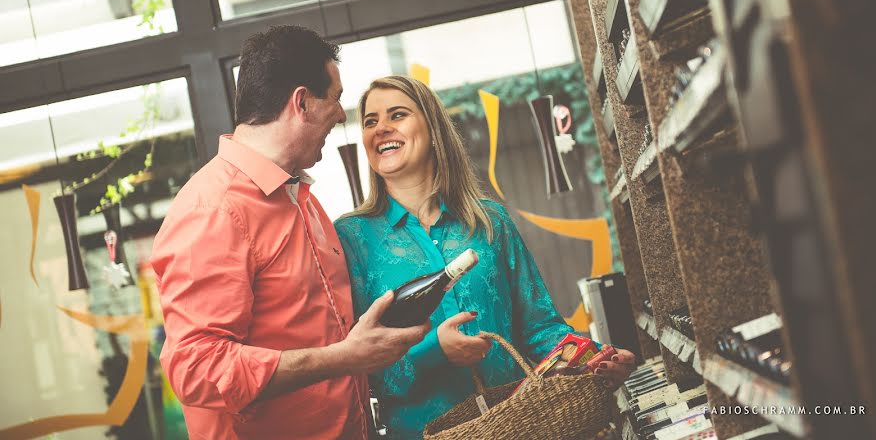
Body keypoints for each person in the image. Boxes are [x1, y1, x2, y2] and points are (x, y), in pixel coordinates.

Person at [151, 27, 429, 440]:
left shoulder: (300, 196)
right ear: (301, 102)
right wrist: (342, 358)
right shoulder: (213, 210)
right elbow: (196, 369)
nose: (340, 114)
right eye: (334, 97)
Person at [334, 76, 636, 439]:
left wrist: (599, 357)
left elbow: (540, 328)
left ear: (433, 130)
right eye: (370, 121)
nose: (381, 128)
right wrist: (436, 351)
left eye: (397, 115)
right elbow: (359, 369)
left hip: (520, 428)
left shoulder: (491, 221)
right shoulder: (350, 238)